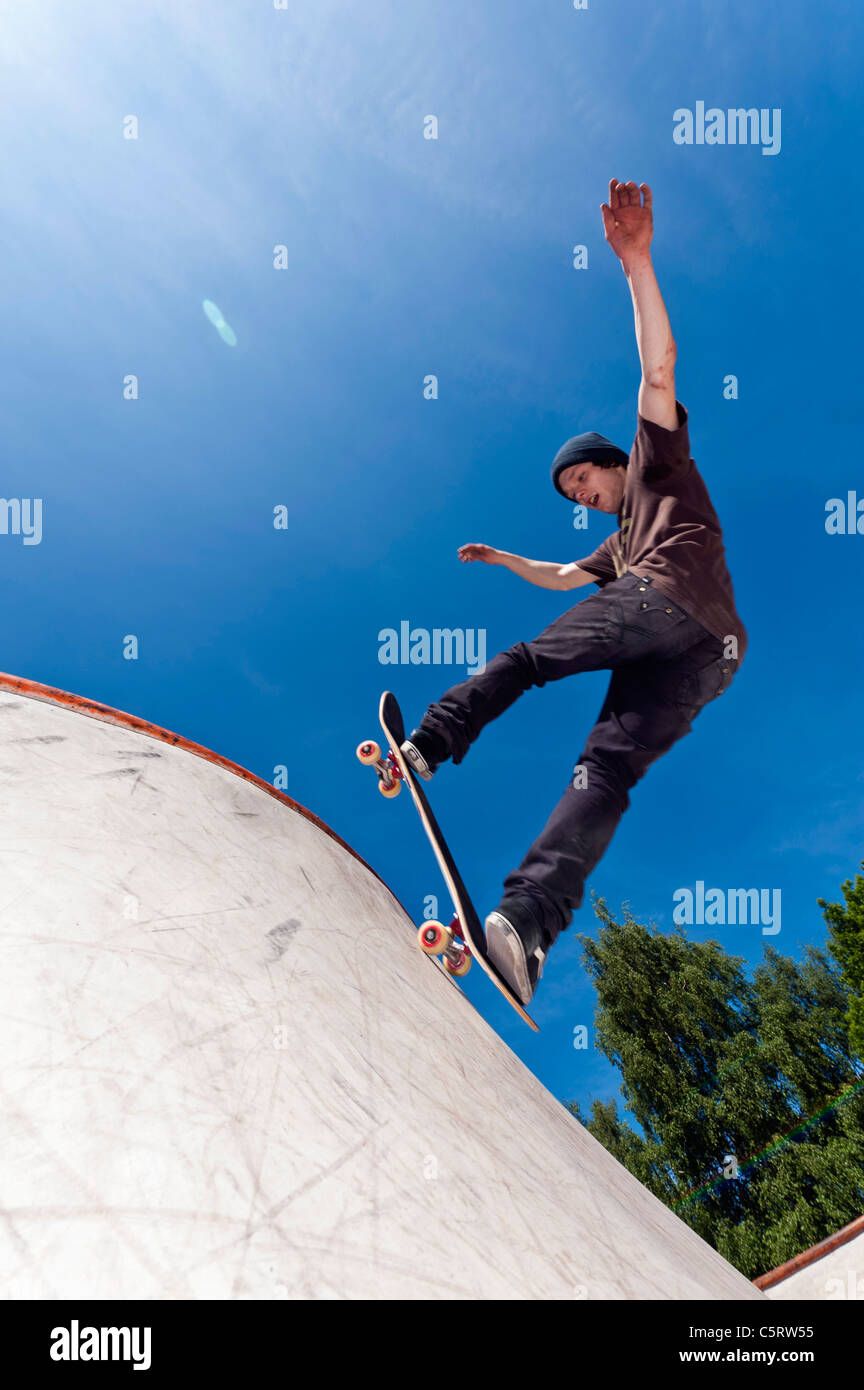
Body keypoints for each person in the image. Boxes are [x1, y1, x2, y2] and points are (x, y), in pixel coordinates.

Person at [402, 179, 747, 1006]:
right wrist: (503, 559)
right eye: (576, 498)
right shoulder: (619, 546)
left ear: (613, 459)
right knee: (605, 772)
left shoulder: (658, 461)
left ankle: (436, 740)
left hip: (668, 603)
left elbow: (657, 365)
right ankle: (526, 927)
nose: (586, 498)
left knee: (527, 659)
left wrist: (636, 263)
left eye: (586, 481)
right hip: (711, 658)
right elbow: (562, 576)